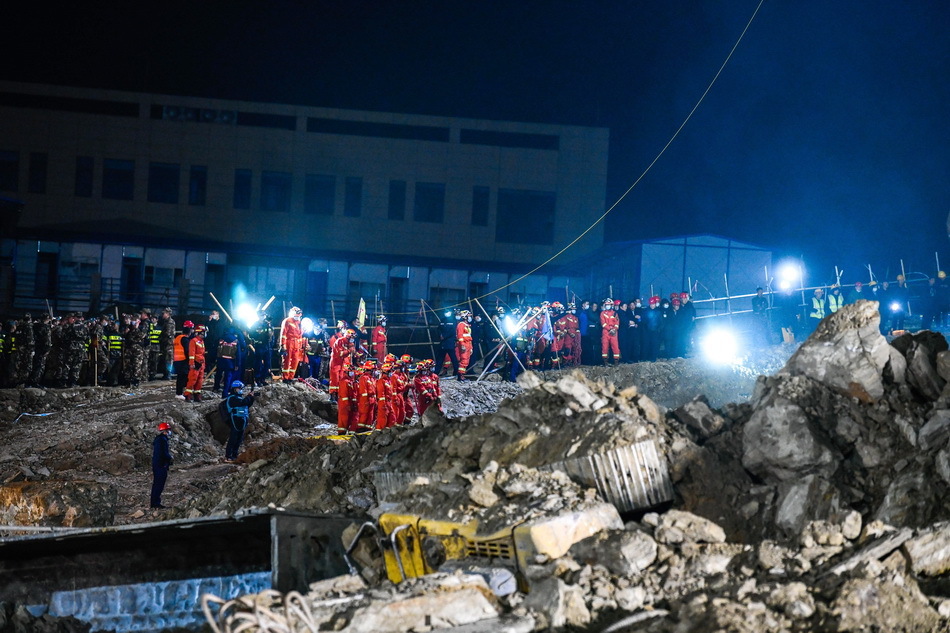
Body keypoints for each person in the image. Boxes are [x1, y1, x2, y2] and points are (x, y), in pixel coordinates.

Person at [223, 380, 255, 461]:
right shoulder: (232, 398)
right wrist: (248, 397)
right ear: (234, 389)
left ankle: (235, 454)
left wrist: (251, 398)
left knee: (239, 438)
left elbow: (247, 404)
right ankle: (228, 455)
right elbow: (242, 402)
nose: (241, 390)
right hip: (235, 419)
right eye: (239, 388)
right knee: (233, 437)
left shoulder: (239, 398)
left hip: (242, 419)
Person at [279, 306, 306, 383]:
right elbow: (283, 334)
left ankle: (291, 377)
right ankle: (285, 378)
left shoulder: (299, 322)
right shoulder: (287, 321)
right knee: (287, 360)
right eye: (297, 316)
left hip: (296, 344)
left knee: (295, 361)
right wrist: (282, 344)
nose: (298, 317)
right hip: (289, 342)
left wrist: (301, 345)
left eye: (299, 316)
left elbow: (300, 335)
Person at [150, 421, 174, 509]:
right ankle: (155, 503)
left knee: (157, 484)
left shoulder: (159, 439)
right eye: (168, 430)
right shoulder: (162, 440)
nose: (170, 432)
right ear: (165, 431)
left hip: (158, 465)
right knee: (158, 484)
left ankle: (155, 502)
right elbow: (163, 453)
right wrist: (169, 458)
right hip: (160, 465)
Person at [184, 324, 207, 401]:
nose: (204, 334)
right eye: (203, 333)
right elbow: (191, 353)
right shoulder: (193, 341)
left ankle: (197, 394)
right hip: (196, 363)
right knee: (192, 379)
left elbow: (202, 354)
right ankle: (188, 395)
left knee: (200, 380)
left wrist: (204, 364)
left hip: (201, 363)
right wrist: (192, 363)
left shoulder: (201, 341)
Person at [173, 320, 194, 398]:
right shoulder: (185, 339)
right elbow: (187, 351)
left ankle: (178, 393)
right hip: (183, 361)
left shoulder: (178, 337)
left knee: (179, 378)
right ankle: (179, 393)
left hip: (177, 360)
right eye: (191, 329)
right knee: (183, 378)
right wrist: (191, 361)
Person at [600, 299, 620, 365]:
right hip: (606, 332)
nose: (607, 306)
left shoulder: (615, 313)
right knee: (605, 347)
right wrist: (609, 329)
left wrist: (614, 329)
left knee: (615, 346)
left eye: (608, 305)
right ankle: (605, 362)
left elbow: (617, 322)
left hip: (614, 332)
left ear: (611, 305)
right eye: (606, 305)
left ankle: (616, 362)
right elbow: (603, 323)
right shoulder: (602, 313)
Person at [456, 310, 474, 380]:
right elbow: (460, 336)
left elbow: (469, 337)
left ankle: (462, 374)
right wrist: (462, 345)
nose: (470, 317)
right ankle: (460, 376)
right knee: (463, 360)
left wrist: (471, 347)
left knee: (466, 360)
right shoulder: (461, 325)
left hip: (468, 344)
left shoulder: (467, 325)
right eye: (469, 315)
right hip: (464, 344)